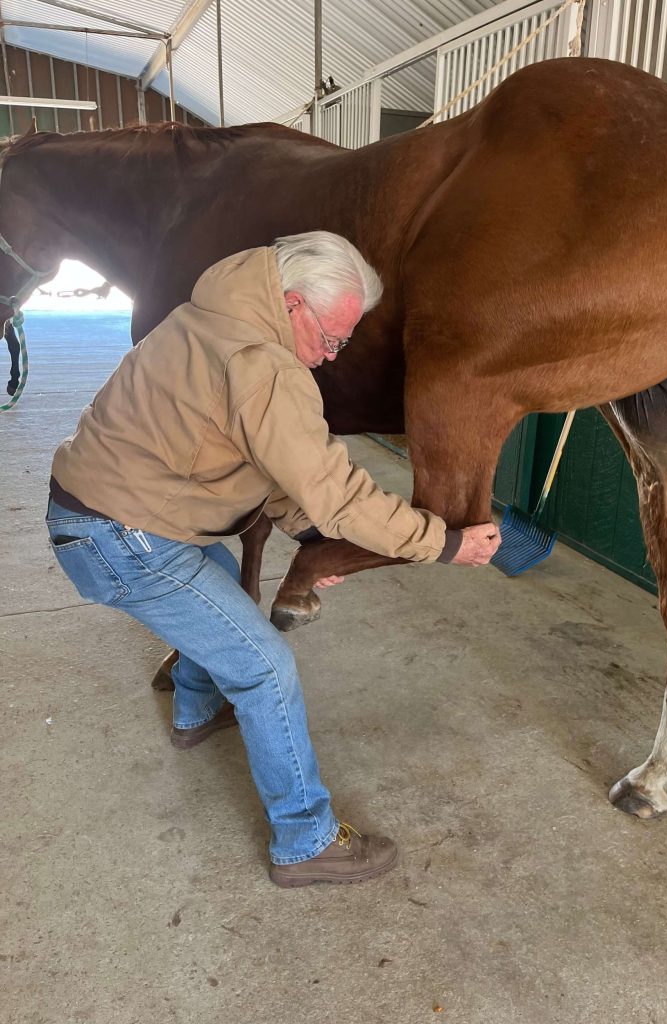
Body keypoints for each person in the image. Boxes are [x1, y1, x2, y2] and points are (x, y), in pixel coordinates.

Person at [46, 231, 501, 887]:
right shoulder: (264, 361)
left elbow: (268, 464)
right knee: (265, 668)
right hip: (122, 533)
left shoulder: (218, 312)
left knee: (223, 597)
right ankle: (306, 841)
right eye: (329, 338)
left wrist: (314, 542)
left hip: (119, 513)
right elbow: (334, 491)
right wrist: (444, 542)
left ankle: (197, 712)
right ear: (292, 305)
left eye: (342, 343)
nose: (329, 356)